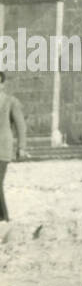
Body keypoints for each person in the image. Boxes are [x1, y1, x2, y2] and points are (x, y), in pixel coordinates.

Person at [0, 72, 27, 222]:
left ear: (3, 84)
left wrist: (21, 147)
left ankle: (4, 218)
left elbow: (21, 126)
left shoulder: (10, 102)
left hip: (3, 148)